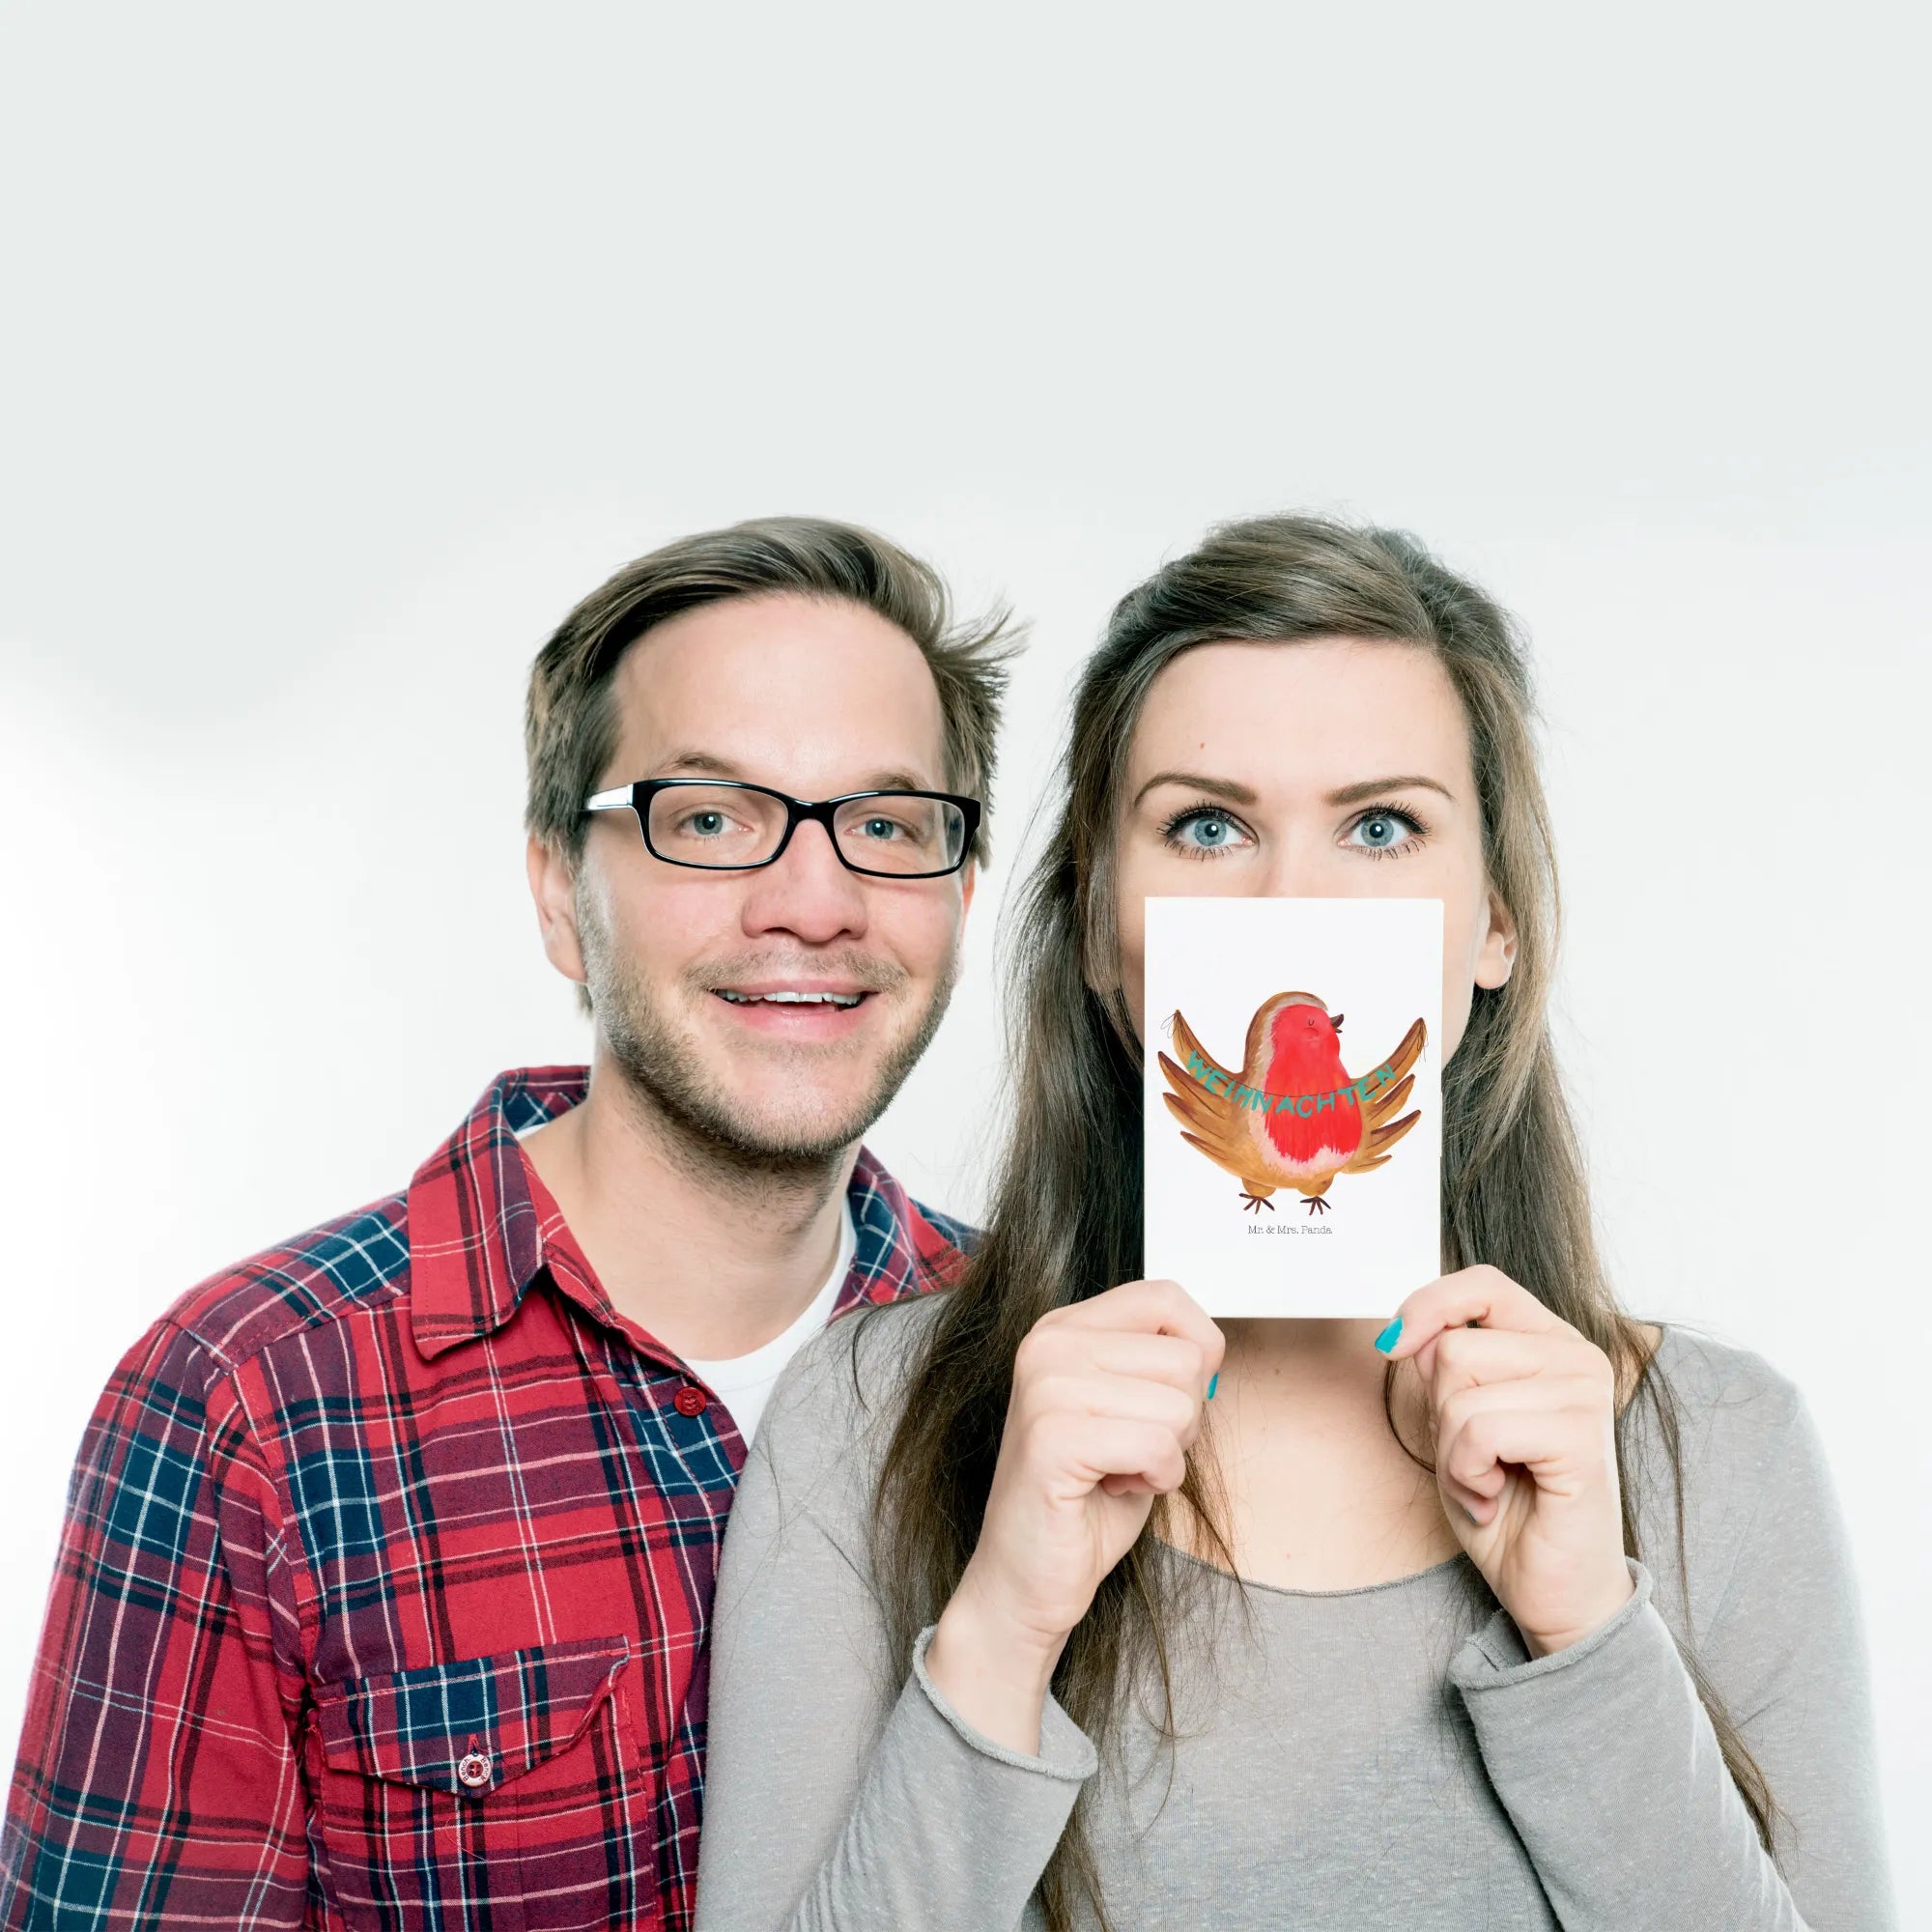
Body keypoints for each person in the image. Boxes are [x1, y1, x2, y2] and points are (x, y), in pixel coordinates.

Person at [693, 515, 1895, 1930]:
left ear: (1494, 923)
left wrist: (1586, 1632)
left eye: (1381, 827)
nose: (1293, 905)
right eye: (1207, 828)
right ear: (1101, 927)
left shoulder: (1722, 1451)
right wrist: (1002, 1624)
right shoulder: (866, 1421)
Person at [0, 517, 1013, 1930]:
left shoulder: (1031, 1348)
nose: (815, 902)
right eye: (710, 820)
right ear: (558, 895)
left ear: (959, 891)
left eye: (888, 827)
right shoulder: (247, 1404)